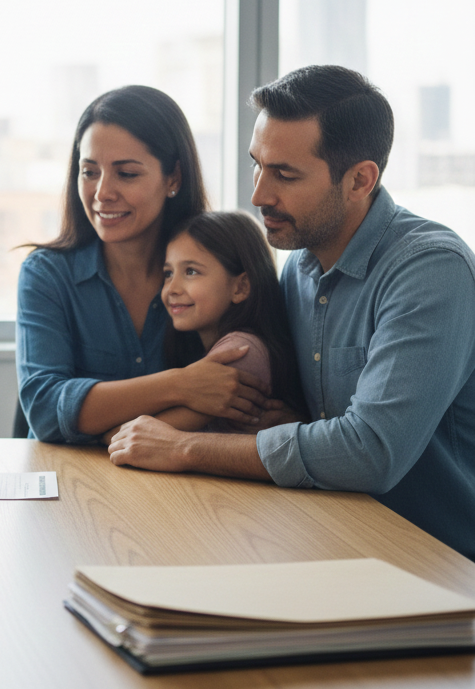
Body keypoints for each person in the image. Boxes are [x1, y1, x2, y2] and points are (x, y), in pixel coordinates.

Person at [108, 65, 475, 561]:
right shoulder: (297, 269)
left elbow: (369, 453)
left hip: (434, 561)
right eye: (257, 165)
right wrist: (291, 421)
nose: (259, 194)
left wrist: (183, 446)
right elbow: (315, 424)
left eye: (285, 174)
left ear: (360, 180)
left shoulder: (430, 269)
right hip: (330, 537)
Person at [15, 85, 271, 445]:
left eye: (127, 174)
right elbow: (44, 410)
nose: (102, 192)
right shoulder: (48, 274)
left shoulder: (215, 271)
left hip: (176, 489)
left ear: (173, 179)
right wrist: (182, 384)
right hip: (68, 485)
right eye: (89, 172)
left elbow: (244, 397)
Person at [141, 211, 305, 433]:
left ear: (241, 287)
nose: (172, 288)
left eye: (191, 271)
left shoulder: (240, 351)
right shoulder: (206, 346)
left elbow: (138, 435)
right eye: (168, 273)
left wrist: (99, 430)